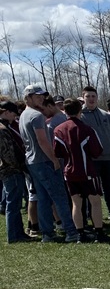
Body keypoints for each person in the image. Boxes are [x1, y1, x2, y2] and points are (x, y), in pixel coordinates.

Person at [18, 84, 80, 243]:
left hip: (32, 162)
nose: (41, 98)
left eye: (42, 96)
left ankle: (47, 233)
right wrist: (54, 159)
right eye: (37, 96)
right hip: (44, 161)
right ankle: (71, 232)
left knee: (43, 198)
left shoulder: (24, 115)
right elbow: (42, 141)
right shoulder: (36, 116)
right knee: (59, 196)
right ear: (28, 97)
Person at [52, 97, 109, 243]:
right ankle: (99, 233)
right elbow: (97, 151)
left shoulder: (58, 130)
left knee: (76, 203)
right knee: (95, 201)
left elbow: (57, 152)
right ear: (80, 111)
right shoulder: (86, 129)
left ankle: (80, 234)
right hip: (87, 171)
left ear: (65, 111)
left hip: (69, 172)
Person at [80, 85, 110, 223]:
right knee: (91, 191)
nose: (91, 99)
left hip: (109, 158)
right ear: (83, 97)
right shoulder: (80, 116)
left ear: (97, 98)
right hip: (92, 160)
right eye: (88, 96)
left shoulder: (105, 115)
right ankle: (91, 216)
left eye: (93, 96)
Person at [0, 99, 29, 244]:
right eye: (13, 114)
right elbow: (7, 153)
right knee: (13, 204)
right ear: (6, 112)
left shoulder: (5, 127)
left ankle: (18, 232)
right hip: (11, 170)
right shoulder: (2, 129)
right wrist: (18, 165)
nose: (15, 117)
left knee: (15, 203)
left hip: (8, 170)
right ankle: (13, 235)